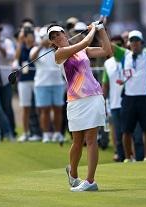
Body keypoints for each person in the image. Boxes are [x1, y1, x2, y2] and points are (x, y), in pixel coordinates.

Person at [48, 20, 111, 191]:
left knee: (91, 140)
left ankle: (90, 181)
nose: (57, 37)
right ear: (52, 42)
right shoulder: (59, 54)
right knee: (77, 142)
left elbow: (107, 50)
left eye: (58, 33)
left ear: (64, 34)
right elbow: (84, 42)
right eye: (53, 37)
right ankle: (73, 174)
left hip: (93, 97)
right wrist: (92, 30)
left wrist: (101, 30)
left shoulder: (83, 50)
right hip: (75, 101)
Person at [112, 16, 146, 161]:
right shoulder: (124, 54)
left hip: (145, 98)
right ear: (128, 43)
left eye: (137, 41)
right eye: (132, 41)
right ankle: (128, 157)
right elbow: (109, 45)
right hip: (129, 98)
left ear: (141, 42)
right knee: (126, 131)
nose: (134, 43)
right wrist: (101, 29)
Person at [30, 26, 65, 144]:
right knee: (44, 111)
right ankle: (46, 134)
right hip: (42, 84)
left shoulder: (56, 49)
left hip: (57, 83)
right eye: (42, 37)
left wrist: (53, 45)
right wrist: (41, 45)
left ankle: (58, 133)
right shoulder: (36, 49)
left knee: (58, 109)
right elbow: (32, 58)